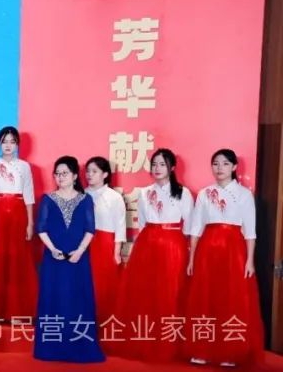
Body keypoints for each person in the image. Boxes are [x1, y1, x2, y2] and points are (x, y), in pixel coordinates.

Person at [184, 149, 264, 367]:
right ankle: (202, 349)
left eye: (225, 164)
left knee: (231, 298)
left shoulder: (244, 194)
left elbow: (250, 231)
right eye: (216, 163)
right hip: (207, 250)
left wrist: (249, 260)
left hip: (233, 251)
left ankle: (230, 352)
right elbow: (196, 228)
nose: (220, 168)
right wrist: (191, 258)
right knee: (205, 298)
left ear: (234, 167)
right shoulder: (204, 193)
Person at [112, 148, 193, 363]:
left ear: (172, 168)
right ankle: (144, 339)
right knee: (146, 293)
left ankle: (169, 341)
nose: (157, 168)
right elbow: (142, 223)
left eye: (162, 164)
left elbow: (190, 227)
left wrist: (186, 251)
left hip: (173, 244)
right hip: (147, 244)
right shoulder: (144, 192)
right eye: (154, 164)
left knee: (170, 293)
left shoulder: (183, 193)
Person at [33, 156, 104, 363]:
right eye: (57, 173)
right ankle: (51, 348)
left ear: (74, 176)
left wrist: (80, 251)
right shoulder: (48, 199)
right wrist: (53, 249)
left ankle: (79, 345)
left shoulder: (85, 200)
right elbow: (41, 228)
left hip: (78, 259)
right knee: (53, 299)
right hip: (53, 259)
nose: (60, 177)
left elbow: (90, 229)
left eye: (64, 173)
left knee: (78, 299)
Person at [0, 127, 37, 321]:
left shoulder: (24, 167)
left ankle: (17, 311)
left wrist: (30, 223)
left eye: (12, 141)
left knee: (17, 260)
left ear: (17, 144)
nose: (8, 145)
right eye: (4, 142)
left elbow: (29, 195)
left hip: (19, 214)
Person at [83, 157, 125, 327]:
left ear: (105, 174)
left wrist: (116, 251)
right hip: (83, 244)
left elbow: (120, 225)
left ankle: (106, 322)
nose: (89, 174)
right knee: (84, 283)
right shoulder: (81, 194)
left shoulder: (114, 197)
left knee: (104, 284)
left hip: (105, 243)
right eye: (87, 171)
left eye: (94, 171)